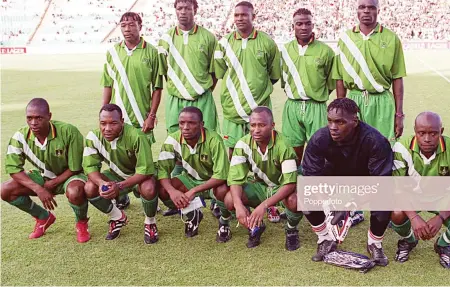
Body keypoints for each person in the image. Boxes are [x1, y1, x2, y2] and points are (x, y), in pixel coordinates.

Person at [332, 0, 406, 225]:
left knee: (384, 152)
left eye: (371, 7)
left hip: (381, 101)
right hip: (353, 102)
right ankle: (353, 209)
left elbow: (397, 78)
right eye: (362, 7)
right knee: (352, 154)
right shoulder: (345, 39)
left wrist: (399, 112)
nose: (366, 11)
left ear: (378, 10)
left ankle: (382, 206)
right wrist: (340, 112)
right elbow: (340, 79)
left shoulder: (391, 39)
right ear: (356, 11)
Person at [301, 98, 393, 266]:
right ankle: (325, 239)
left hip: (364, 182)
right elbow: (310, 177)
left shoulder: (375, 140)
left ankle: (374, 243)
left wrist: (351, 202)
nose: (333, 127)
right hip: (334, 181)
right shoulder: (319, 138)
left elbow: (382, 183)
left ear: (355, 121)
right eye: (330, 121)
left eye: (340, 122)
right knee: (305, 195)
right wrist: (328, 203)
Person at [157, 0, 220, 217]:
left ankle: (214, 197)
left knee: (210, 144)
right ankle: (178, 196)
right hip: (175, 100)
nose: (183, 12)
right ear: (174, 10)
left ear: (196, 10)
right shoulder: (165, 39)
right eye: (180, 8)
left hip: (202, 98)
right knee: (175, 146)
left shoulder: (208, 38)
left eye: (188, 8)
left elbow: (214, 73)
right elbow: (162, 72)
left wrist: (200, 91)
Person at [391, 112, 450, 269]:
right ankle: (409, 240)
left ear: (441, 131)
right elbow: (397, 190)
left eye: (433, 133)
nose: (427, 139)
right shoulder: (401, 147)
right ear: (415, 131)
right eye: (421, 133)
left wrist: (440, 218)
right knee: (395, 212)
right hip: (413, 196)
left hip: (442, 197)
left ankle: (443, 244)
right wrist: (414, 217)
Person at [1, 98, 90, 243]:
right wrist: (38, 188)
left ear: (49, 116)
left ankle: (81, 222)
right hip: (43, 177)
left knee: (75, 191)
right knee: (5, 189)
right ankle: (43, 217)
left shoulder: (69, 131)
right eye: (29, 118)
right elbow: (13, 169)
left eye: (39, 118)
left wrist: (53, 183)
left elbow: (76, 167)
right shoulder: (20, 137)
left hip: (70, 176)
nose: (33, 123)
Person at [216, 107, 303, 251]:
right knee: (230, 199)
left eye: (262, 125)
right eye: (253, 125)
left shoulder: (284, 145)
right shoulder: (242, 144)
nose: (256, 130)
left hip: (280, 187)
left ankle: (291, 229)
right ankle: (255, 226)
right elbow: (235, 180)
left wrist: (263, 206)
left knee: (295, 201)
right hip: (259, 186)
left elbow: (290, 184)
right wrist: (238, 206)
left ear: (272, 126)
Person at [100, 11, 162, 210]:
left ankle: (148, 199)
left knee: (143, 162)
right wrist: (103, 113)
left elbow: (157, 88)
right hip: (118, 119)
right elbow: (107, 85)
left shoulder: (152, 52)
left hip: (141, 118)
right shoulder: (112, 53)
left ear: (140, 26)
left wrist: (151, 116)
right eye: (123, 25)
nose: (127, 29)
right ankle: (121, 195)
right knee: (118, 157)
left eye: (131, 25)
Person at [83, 104, 158, 244]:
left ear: (122, 122)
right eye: (103, 123)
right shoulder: (93, 137)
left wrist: (120, 186)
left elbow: (146, 171)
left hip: (138, 177)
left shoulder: (136, 136)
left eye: (113, 123)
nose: (107, 128)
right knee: (89, 187)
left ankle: (150, 222)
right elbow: (90, 167)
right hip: (115, 175)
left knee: (149, 187)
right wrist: (102, 183)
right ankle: (117, 217)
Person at [214, 1, 281, 157]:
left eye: (244, 14)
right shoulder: (224, 43)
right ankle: (235, 178)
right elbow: (220, 73)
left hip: (259, 104)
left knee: (261, 146)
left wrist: (258, 87)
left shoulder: (267, 42)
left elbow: (274, 75)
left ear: (253, 16)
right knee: (233, 148)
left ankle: (260, 178)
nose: (239, 18)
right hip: (233, 105)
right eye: (236, 15)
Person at [156, 107, 228, 237]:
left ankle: (224, 222)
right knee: (162, 189)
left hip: (213, 183)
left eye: (191, 123)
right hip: (190, 180)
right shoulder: (172, 140)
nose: (185, 127)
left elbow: (221, 175)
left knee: (223, 190)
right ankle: (192, 214)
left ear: (201, 125)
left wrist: (193, 191)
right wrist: (172, 191)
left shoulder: (214, 140)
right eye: (182, 123)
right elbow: (162, 171)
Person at [279, 8, 335, 169]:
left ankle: (315, 186)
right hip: (292, 106)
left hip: (316, 106)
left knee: (319, 150)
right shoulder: (285, 50)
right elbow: (283, 78)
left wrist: (315, 94)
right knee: (292, 151)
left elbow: (331, 82)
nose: (304, 27)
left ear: (313, 25)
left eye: (307, 23)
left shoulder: (326, 51)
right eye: (299, 24)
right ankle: (293, 187)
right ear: (293, 26)